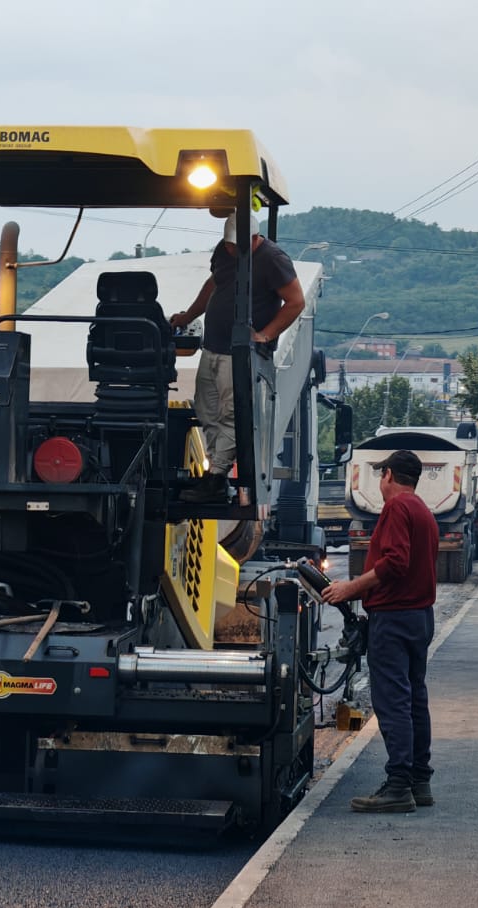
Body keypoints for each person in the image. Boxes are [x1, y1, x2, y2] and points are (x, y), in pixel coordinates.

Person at [321, 449, 440, 813]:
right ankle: (419, 781)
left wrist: (350, 588)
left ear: (388, 474)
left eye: (380, 474)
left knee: (393, 702)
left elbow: (395, 563)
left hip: (394, 618)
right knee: (415, 699)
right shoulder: (424, 512)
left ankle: (398, 786)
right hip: (419, 616)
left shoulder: (396, 508)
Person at [168, 211, 306, 504]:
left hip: (240, 353)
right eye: (229, 245)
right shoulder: (223, 251)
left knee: (230, 413)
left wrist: (265, 335)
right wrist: (188, 316)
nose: (233, 250)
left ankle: (216, 475)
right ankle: (214, 472)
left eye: (238, 245)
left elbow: (295, 301)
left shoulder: (273, 259)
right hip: (214, 346)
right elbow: (214, 284)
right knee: (207, 409)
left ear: (255, 238)